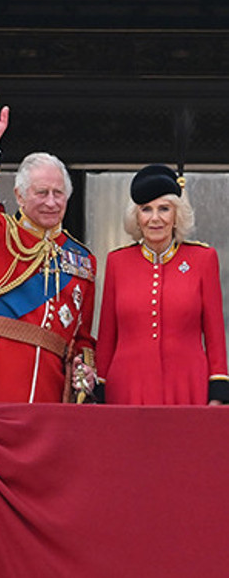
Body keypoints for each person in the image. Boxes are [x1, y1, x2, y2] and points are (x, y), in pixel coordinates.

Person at [0, 89, 96, 403]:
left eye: (58, 193)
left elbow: (82, 337)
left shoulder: (82, 259)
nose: (50, 201)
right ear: (19, 196)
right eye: (41, 192)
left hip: (49, 388)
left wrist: (84, 367)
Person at [95, 164, 229, 405]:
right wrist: (99, 389)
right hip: (127, 387)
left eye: (164, 209)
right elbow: (107, 336)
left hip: (188, 385)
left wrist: (218, 391)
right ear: (136, 216)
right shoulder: (118, 262)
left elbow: (215, 334)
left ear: (176, 215)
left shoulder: (203, 259)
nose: (155, 218)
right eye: (146, 209)